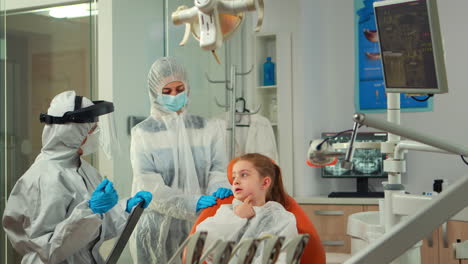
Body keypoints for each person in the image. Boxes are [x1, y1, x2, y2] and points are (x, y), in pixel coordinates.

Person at [2, 91, 153, 264]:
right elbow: (47, 250)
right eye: (93, 129)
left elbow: (93, 229)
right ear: (72, 133)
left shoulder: (83, 169)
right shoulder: (44, 180)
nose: (97, 135)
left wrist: (125, 209)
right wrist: (91, 211)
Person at [129, 57, 232, 263]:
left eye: (179, 88)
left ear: (188, 88)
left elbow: (218, 171)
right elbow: (150, 187)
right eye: (167, 91)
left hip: (203, 224)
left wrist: (219, 190)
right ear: (154, 93)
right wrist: (191, 203)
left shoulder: (208, 127)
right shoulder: (143, 133)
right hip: (158, 229)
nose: (175, 95)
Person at [195, 153, 298, 263]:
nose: (235, 181)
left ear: (265, 182)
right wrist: (236, 217)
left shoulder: (282, 219)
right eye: (234, 176)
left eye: (244, 175)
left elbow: (284, 258)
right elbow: (200, 242)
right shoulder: (227, 212)